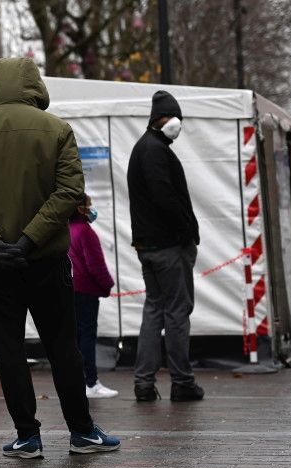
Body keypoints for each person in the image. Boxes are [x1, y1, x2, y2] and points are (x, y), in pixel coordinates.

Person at [0, 57, 119, 458]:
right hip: (45, 260)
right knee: (63, 346)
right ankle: (82, 431)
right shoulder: (57, 130)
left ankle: (27, 436)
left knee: (8, 348)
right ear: (36, 85)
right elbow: (69, 190)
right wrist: (29, 240)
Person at [127, 90, 204, 402]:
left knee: (154, 310)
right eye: (173, 118)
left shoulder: (143, 148)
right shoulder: (156, 151)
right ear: (159, 119)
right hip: (169, 246)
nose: (177, 124)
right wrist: (187, 231)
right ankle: (182, 381)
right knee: (176, 312)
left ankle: (144, 383)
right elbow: (166, 199)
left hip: (148, 246)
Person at [69, 195, 118, 399]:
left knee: (74, 336)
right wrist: (107, 285)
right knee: (87, 335)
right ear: (81, 209)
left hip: (69, 289)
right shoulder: (86, 232)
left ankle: (76, 381)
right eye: (88, 206)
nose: (91, 209)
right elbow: (95, 265)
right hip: (86, 290)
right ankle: (91, 382)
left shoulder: (67, 230)